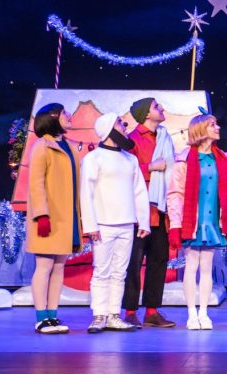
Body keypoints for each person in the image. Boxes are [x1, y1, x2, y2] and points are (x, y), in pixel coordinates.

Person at [79, 113, 150, 334]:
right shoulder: (93, 158)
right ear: (108, 128)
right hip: (103, 224)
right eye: (120, 122)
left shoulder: (130, 159)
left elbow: (139, 192)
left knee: (120, 272)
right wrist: (90, 225)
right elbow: (86, 193)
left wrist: (144, 221)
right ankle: (99, 315)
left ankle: (113, 315)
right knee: (102, 270)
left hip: (127, 224)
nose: (125, 125)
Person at [167, 113, 227, 330]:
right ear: (200, 130)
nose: (218, 128)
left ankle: (204, 313)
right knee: (191, 266)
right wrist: (176, 224)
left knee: (207, 267)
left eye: (217, 124)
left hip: (212, 222)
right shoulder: (184, 160)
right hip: (192, 222)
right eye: (212, 125)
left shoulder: (223, 159)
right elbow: (175, 193)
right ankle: (192, 314)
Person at [26, 103, 81, 334]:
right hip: (49, 217)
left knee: (59, 267)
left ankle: (52, 315)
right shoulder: (42, 146)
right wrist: (42, 214)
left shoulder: (67, 146)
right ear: (53, 117)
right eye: (64, 113)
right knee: (45, 266)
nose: (69, 116)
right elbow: (36, 183)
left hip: (66, 217)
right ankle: (41, 318)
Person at [121, 97, 176, 328]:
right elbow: (124, 173)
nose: (161, 108)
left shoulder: (164, 137)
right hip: (139, 213)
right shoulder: (132, 140)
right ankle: (130, 311)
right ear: (145, 114)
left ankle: (152, 311)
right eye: (156, 106)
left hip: (161, 211)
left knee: (158, 261)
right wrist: (150, 168)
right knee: (133, 263)